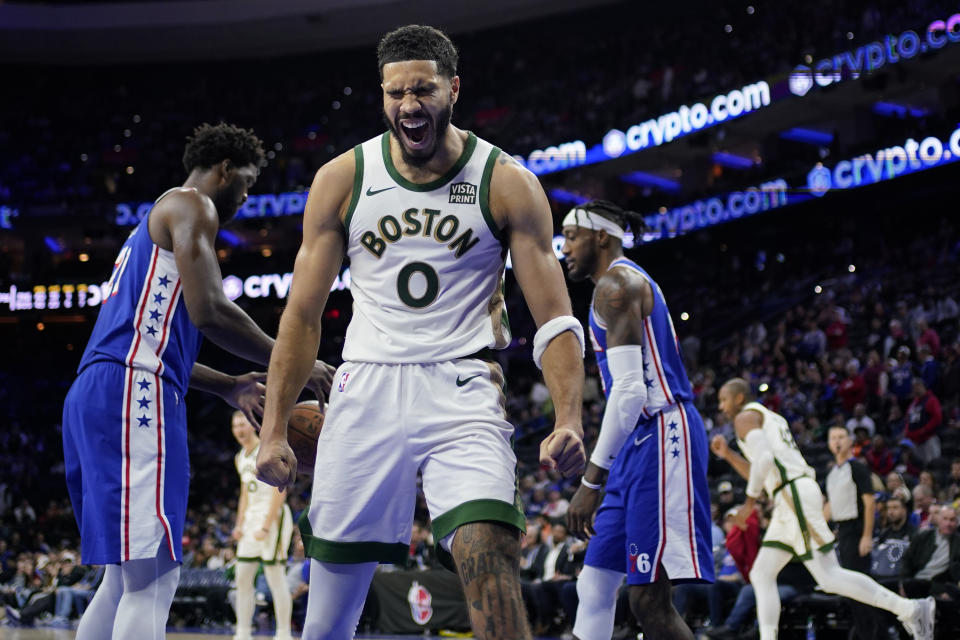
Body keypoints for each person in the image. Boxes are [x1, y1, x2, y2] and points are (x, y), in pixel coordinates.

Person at [255, 25, 586, 640]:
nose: (409, 105)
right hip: (366, 390)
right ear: (382, 96)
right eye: (396, 93)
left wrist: (569, 416)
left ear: (453, 89)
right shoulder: (342, 177)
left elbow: (556, 319)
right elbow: (300, 316)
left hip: (462, 388)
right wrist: (274, 429)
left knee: (491, 566)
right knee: (327, 619)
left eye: (423, 90)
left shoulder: (506, 180)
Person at [61, 123, 334, 640]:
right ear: (224, 170)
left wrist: (229, 384)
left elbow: (155, 343)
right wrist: (291, 360)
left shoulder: (151, 227)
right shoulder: (192, 205)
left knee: (122, 580)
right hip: (134, 393)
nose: (247, 196)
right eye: (247, 182)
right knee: (156, 580)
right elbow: (210, 310)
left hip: (100, 391)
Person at [561, 200, 714, 640]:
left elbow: (630, 392)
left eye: (572, 237)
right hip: (636, 442)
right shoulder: (609, 287)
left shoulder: (618, 283)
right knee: (594, 583)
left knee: (648, 600)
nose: (564, 247)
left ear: (601, 237)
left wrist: (591, 482)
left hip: (663, 432)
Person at [710, 378, 934, 640]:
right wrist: (728, 455)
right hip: (787, 496)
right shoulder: (767, 417)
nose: (721, 407)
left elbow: (765, 459)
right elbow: (761, 469)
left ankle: (909, 608)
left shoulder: (744, 417)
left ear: (738, 398)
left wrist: (748, 505)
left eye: (723, 400)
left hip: (793, 495)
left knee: (828, 576)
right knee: (761, 574)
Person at [231, 411, 294, 640]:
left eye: (242, 424)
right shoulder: (240, 457)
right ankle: (243, 632)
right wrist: (240, 524)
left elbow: (281, 489)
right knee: (242, 576)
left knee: (275, 575)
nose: (239, 429)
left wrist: (267, 526)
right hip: (252, 519)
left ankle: (284, 633)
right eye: (235, 425)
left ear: (253, 426)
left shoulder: (266, 450)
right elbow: (245, 494)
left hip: (273, 518)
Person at [824, 425, 879, 639]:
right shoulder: (832, 474)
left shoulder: (857, 468)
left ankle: (875, 634)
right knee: (851, 590)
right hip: (843, 532)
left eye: (841, 437)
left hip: (857, 531)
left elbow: (869, 502)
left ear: (849, 441)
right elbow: (829, 508)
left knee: (861, 589)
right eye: (833, 437)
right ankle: (866, 633)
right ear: (829, 443)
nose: (837, 441)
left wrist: (866, 536)